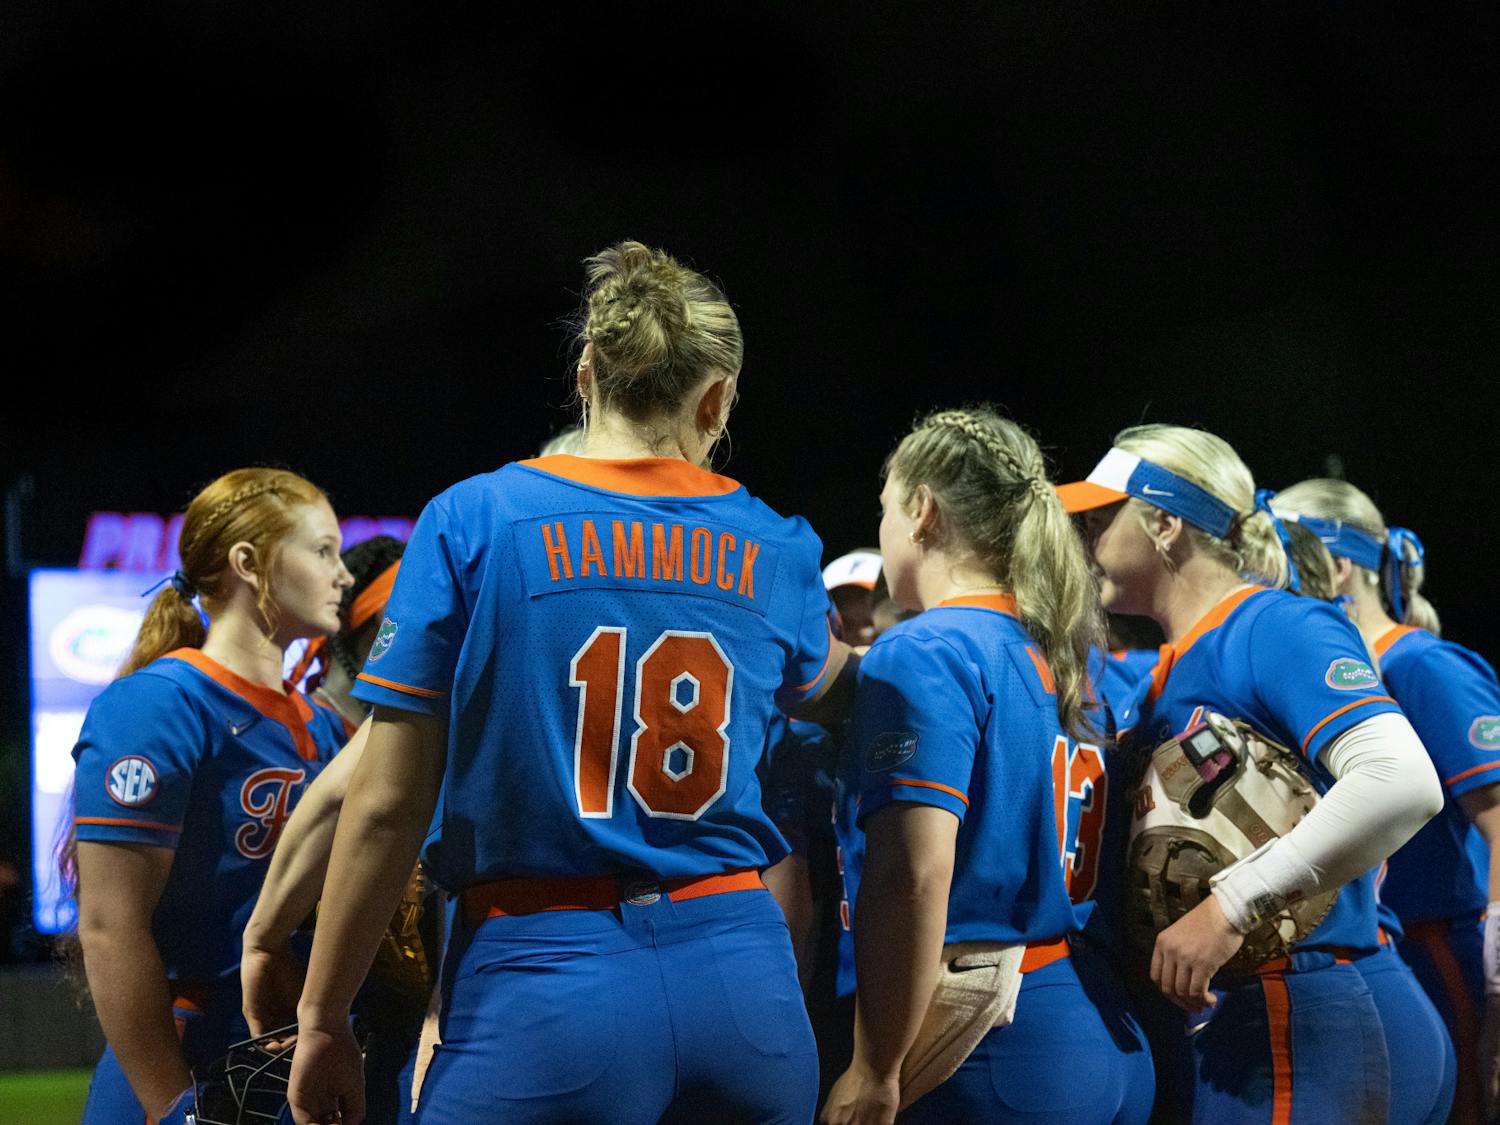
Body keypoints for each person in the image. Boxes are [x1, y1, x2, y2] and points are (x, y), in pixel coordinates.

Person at [285, 240, 855, 1125]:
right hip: (746, 980)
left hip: (544, 973)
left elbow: (389, 802)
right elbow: (843, 693)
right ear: (717, 398)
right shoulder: (778, 545)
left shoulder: (476, 519)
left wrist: (322, 1016)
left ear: (586, 374)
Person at [1058, 428, 1443, 1123]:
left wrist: (1233, 904)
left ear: (1166, 521)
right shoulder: (1172, 664)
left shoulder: (1274, 624)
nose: (1084, 538)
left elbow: (1401, 778)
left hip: (1290, 1014)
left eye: (1100, 517)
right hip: (1240, 1020)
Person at [824, 407, 1154, 1125]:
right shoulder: (1069, 655)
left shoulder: (926, 648)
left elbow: (915, 873)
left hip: (993, 1042)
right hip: (1091, 1011)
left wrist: (874, 1066)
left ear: (922, 511)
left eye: (885, 507)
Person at [69, 468, 352, 1124]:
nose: (341, 573)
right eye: (322, 550)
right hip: (185, 1056)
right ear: (248, 563)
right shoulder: (161, 705)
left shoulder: (322, 726)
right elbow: (110, 927)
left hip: (288, 1058)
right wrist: (173, 1105)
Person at [1277, 478, 1499, 1124]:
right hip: (1384, 953)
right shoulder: (1313, 669)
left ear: (1338, 563)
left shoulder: (1421, 665)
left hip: (1444, 953)